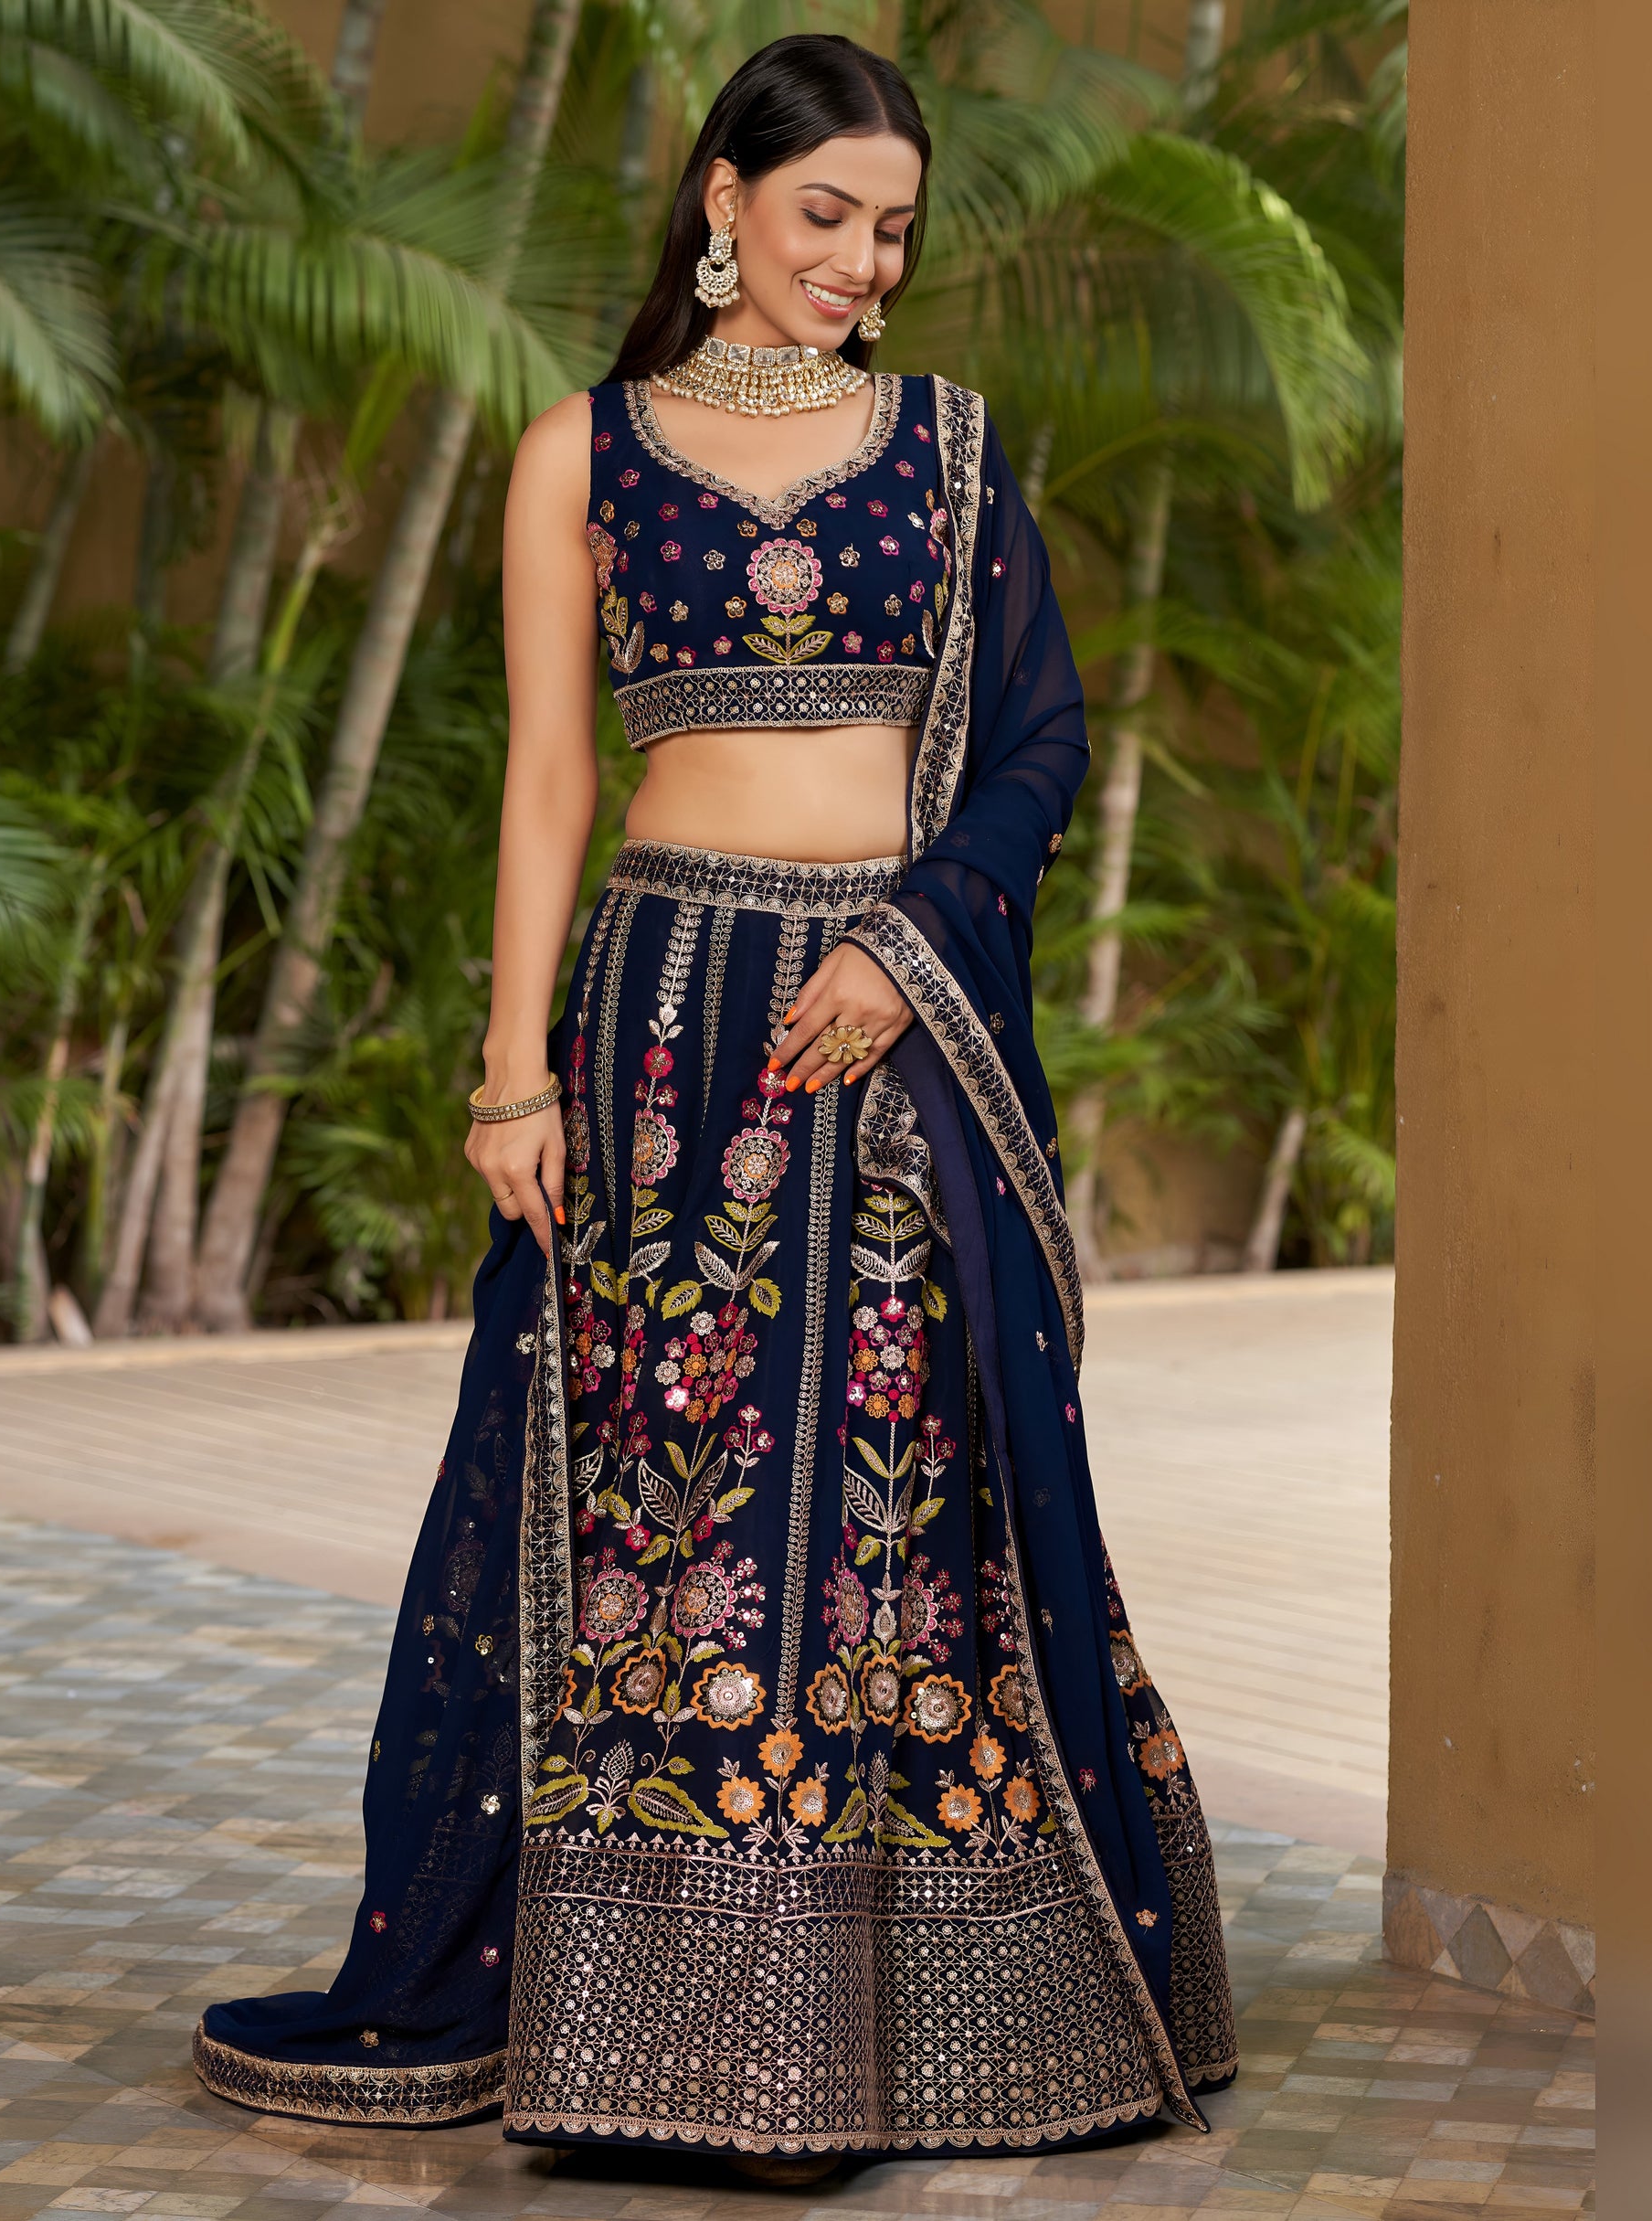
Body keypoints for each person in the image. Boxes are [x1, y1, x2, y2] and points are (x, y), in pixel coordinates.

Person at [195, 32, 1235, 2173]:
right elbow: (550, 778)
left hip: (889, 1006)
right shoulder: (580, 449)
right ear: (724, 204)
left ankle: (909, 1995)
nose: (858, 261)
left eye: (892, 229)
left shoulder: (946, 448)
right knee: (655, 1501)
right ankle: (647, 2001)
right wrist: (508, 1070)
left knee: (874, 1494)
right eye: (822, 213)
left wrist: (906, 937)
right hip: (666, 1016)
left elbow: (1037, 743)